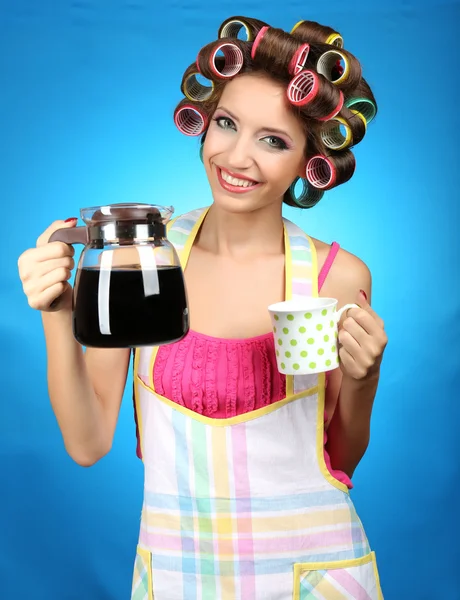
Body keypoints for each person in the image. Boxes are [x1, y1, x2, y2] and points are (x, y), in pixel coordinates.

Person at [18, 14, 388, 600]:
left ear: (307, 162)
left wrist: (364, 381)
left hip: (311, 578)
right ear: (203, 123)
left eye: (273, 140)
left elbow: (339, 459)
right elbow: (87, 443)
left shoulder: (335, 278)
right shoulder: (144, 256)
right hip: (177, 577)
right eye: (226, 124)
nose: (237, 157)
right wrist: (59, 314)